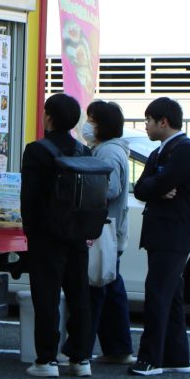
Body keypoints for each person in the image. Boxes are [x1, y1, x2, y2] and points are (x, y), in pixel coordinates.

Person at [20, 93, 93, 378]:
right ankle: (81, 358)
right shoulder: (83, 151)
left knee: (46, 296)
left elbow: (29, 198)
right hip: (78, 233)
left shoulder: (36, 151)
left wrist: (30, 231)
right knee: (79, 294)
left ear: (48, 117)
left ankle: (47, 360)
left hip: (46, 235)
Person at [130, 97, 190, 376]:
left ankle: (150, 359)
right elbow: (141, 188)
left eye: (148, 120)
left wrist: (156, 187)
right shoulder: (160, 151)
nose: (146, 125)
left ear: (163, 122)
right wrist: (157, 188)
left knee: (158, 294)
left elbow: (158, 183)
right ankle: (176, 357)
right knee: (170, 296)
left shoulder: (185, 149)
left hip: (173, 233)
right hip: (163, 232)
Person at [80, 100, 135, 365]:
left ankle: (84, 349)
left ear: (102, 125)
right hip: (111, 232)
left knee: (99, 289)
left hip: (104, 232)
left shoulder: (108, 152)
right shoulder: (109, 149)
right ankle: (118, 349)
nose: (87, 125)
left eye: (91, 120)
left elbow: (109, 189)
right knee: (111, 290)